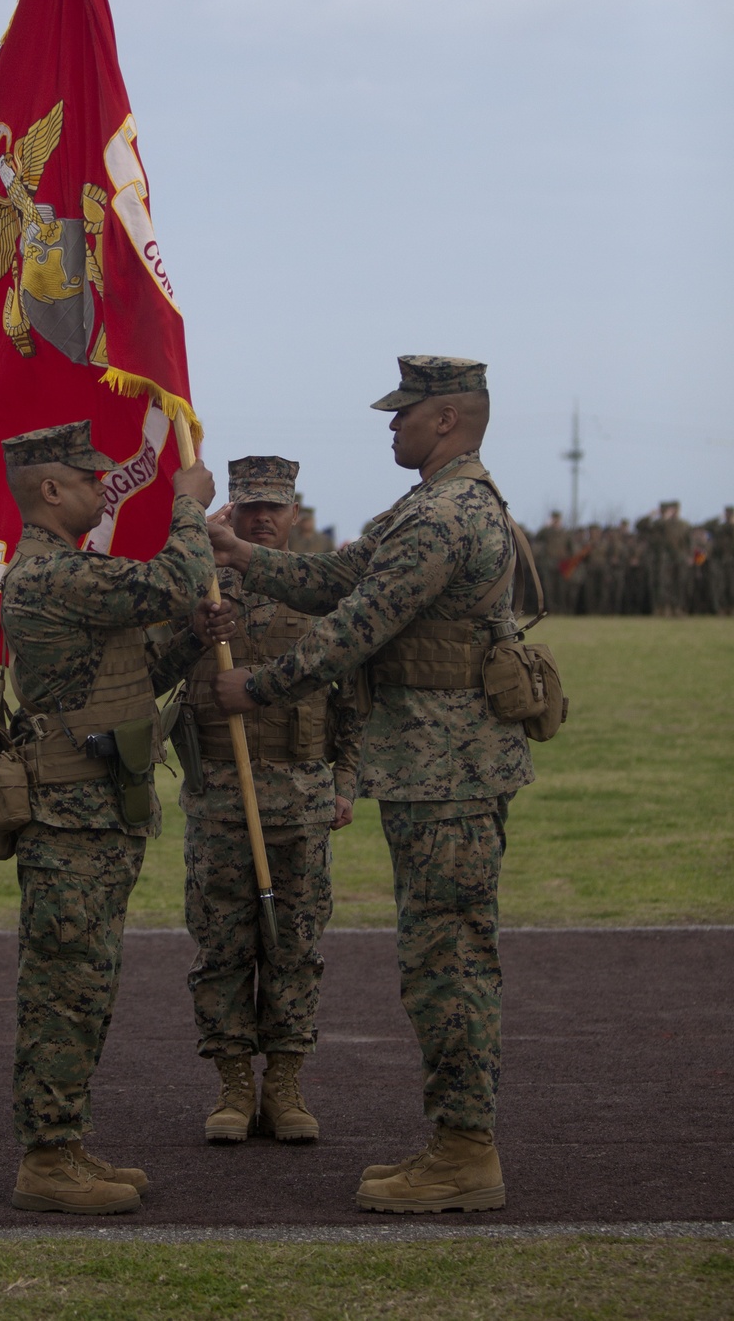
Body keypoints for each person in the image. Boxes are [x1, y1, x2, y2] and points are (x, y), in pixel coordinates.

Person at [211, 356, 535, 1215]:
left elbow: (357, 624)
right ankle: (457, 1140)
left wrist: (260, 685)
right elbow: (337, 579)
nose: (390, 427)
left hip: (448, 767)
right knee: (441, 953)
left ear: (445, 420)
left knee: (448, 960)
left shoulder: (444, 515)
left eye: (403, 415)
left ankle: (465, 1149)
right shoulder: (435, 507)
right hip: (439, 764)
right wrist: (241, 552)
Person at [0, 420, 215, 1216]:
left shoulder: (70, 573)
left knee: (87, 985)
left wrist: (190, 643)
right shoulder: (48, 574)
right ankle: (46, 1157)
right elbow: (173, 582)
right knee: (65, 988)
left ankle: (66, 1140)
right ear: (50, 489)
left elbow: (128, 673)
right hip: (70, 818)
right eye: (91, 478)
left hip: (98, 810)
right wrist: (188, 509)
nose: (106, 487)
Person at [153, 457, 361, 1145]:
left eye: (275, 507)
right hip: (220, 798)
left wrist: (349, 779)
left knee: (295, 947)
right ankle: (235, 1084)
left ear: (295, 513)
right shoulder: (199, 584)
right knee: (220, 948)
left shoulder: (320, 590)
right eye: (249, 507)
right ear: (230, 513)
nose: (263, 518)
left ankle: (287, 1083)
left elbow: (355, 697)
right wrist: (196, 629)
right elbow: (155, 670)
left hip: (301, 798)